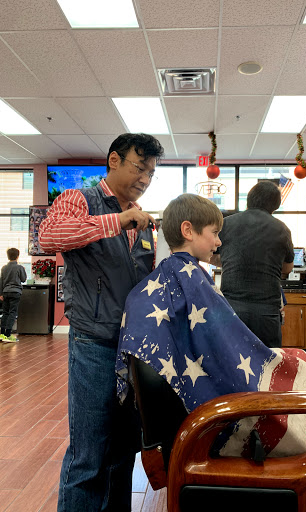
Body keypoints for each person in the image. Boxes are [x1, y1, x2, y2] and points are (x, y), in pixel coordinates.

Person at [116, 193, 306, 512]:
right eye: (214, 233)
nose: (218, 242)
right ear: (188, 231)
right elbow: (226, 350)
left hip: (189, 416)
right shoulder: (189, 278)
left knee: (302, 367)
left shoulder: (154, 285)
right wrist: (279, 363)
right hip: (211, 422)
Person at [38, 133, 164, 512]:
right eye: (139, 167)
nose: (145, 178)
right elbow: (48, 236)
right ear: (113, 160)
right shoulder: (80, 199)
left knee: (124, 451)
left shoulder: (142, 221)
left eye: (151, 173)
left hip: (133, 348)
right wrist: (117, 220)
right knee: (89, 453)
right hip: (93, 343)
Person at [211, 180, 294, 348]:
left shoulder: (226, 224)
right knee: (268, 366)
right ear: (276, 205)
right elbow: (287, 268)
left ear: (249, 199)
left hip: (231, 309)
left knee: (232, 363)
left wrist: (231, 261)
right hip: (266, 314)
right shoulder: (282, 229)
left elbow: (211, 257)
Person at [0, 247, 27, 343]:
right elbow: (23, 279)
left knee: (5, 313)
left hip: (6, 292)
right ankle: (8, 334)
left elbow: (1, 281)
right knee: (12, 312)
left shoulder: (4, 268)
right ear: (17, 256)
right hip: (15, 292)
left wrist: (1, 293)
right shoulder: (19, 268)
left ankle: (2, 333)